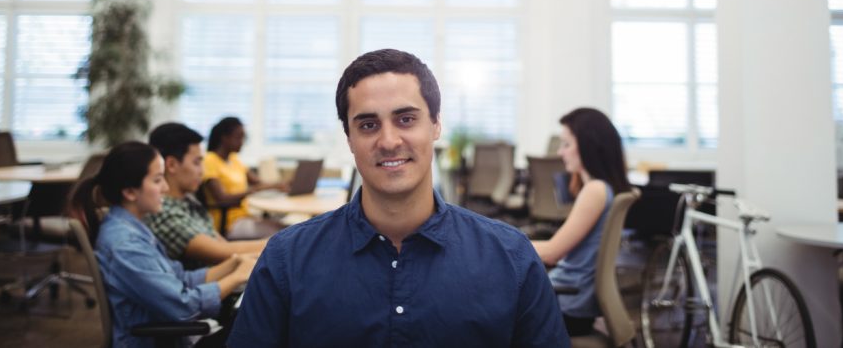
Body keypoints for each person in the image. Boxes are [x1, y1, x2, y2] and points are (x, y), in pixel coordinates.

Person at [228, 49, 569, 347]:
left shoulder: (511, 258)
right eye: (368, 125)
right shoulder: (287, 260)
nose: (389, 141)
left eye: (405, 119)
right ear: (349, 138)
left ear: (435, 125)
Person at [68, 141, 253, 348]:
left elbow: (180, 278)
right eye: (157, 180)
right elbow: (183, 305)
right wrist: (238, 276)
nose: (165, 188)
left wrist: (234, 263)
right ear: (130, 192)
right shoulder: (126, 244)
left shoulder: (133, 227)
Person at [531, 108, 631, 337]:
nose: (560, 152)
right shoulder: (603, 188)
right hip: (569, 301)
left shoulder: (595, 190)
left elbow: (551, 253)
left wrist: (500, 243)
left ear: (587, 146)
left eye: (566, 144)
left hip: (565, 307)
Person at [146, 122, 267, 268]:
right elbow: (222, 252)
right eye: (196, 163)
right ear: (171, 165)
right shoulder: (164, 212)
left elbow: (225, 247)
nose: (202, 172)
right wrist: (282, 242)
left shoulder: (188, 200)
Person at [202, 116, 284, 233]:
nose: (242, 142)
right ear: (224, 138)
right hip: (228, 223)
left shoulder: (234, 159)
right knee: (281, 233)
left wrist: (280, 185)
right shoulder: (209, 160)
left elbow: (257, 182)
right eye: (238, 137)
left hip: (246, 216)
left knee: (287, 229)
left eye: (243, 138)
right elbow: (221, 198)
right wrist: (252, 190)